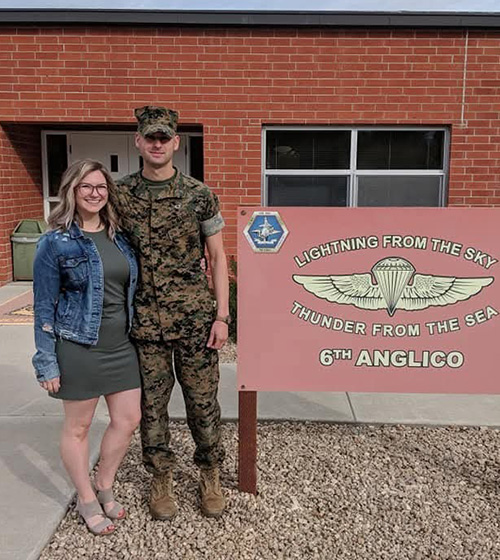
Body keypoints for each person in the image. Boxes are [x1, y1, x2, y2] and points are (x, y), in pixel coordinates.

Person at [115, 105, 230, 519]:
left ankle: (210, 472)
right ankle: (160, 477)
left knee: (203, 403)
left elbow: (218, 258)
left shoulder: (200, 195)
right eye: (151, 137)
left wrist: (222, 316)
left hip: (196, 323)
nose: (158, 144)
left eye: (165, 138)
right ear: (138, 141)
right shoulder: (120, 194)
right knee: (153, 407)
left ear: (177, 143)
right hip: (145, 325)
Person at [32, 159, 142, 536]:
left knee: (128, 420)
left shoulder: (120, 236)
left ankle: (105, 483)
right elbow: (44, 304)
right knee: (77, 428)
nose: (95, 193)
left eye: (101, 187)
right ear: (72, 191)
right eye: (86, 187)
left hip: (121, 345)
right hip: (78, 346)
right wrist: (47, 360)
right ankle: (86, 497)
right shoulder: (55, 241)